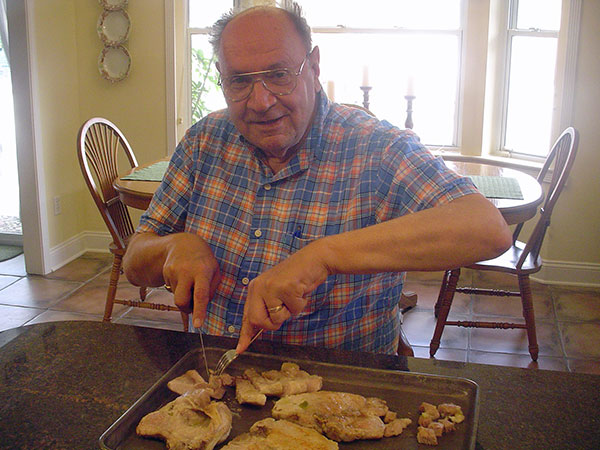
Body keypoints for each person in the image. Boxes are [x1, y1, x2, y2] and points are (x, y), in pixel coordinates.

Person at [123, 2, 511, 356]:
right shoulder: (204, 141)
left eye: (278, 75)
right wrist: (174, 247)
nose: (260, 101)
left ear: (314, 66)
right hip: (217, 380)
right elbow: (134, 263)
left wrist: (323, 257)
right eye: (239, 81)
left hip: (342, 393)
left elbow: (487, 229)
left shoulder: (377, 148)